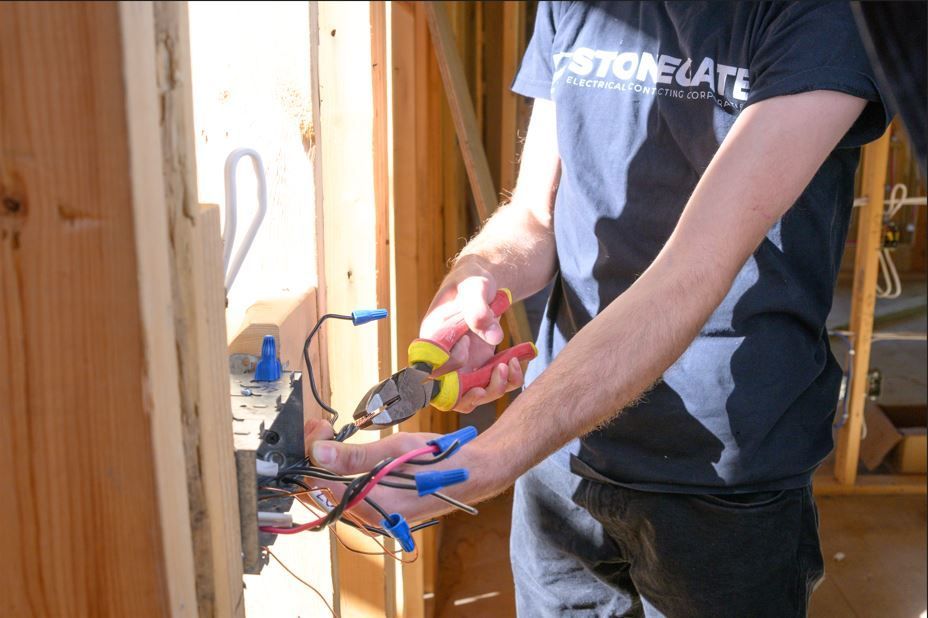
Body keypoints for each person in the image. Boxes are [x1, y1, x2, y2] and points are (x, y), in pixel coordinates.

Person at [305, 2, 889, 616]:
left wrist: (484, 461)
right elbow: (535, 216)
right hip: (560, 449)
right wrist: (476, 276)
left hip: (725, 480)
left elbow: (691, 273)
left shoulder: (826, 16)